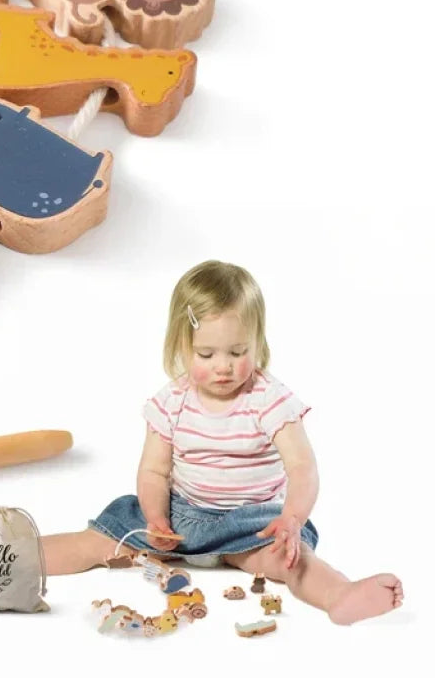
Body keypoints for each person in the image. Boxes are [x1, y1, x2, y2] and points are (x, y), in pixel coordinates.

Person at [41, 260, 403, 624]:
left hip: (251, 524)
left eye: (238, 352)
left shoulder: (269, 400)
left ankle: (338, 594)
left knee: (291, 559)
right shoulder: (171, 402)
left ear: (257, 343)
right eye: (206, 354)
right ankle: (21, 557)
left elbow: (302, 466)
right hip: (180, 517)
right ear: (181, 346)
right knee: (97, 541)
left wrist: (292, 517)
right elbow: (153, 471)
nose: (223, 366)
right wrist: (155, 518)